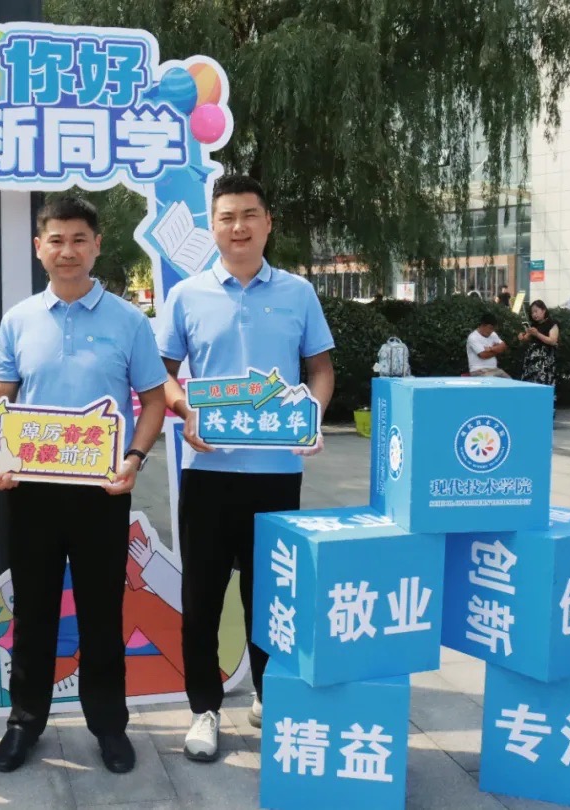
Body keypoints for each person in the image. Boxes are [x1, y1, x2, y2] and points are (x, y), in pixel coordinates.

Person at [0, 195, 167, 775]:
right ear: (39, 248)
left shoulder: (129, 321)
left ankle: (109, 726)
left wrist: (134, 457)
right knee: (33, 612)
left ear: (97, 245)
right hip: (31, 492)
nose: (67, 251)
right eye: (56, 240)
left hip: (102, 491)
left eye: (79, 239)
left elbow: (154, 401)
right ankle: (25, 722)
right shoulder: (18, 320)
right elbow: (3, 400)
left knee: (101, 613)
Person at [156, 175, 336, 762]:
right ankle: (203, 709)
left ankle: (267, 693)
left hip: (277, 473)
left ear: (267, 222)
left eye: (250, 215)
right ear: (213, 226)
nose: (239, 227)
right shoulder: (187, 296)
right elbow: (161, 375)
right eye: (227, 216)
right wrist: (185, 410)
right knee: (202, 596)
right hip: (207, 473)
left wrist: (312, 416)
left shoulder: (298, 293)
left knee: (272, 595)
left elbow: (320, 369)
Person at [518, 299, 559, 401]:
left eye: (536, 311)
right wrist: (522, 337)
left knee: (543, 384)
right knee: (529, 384)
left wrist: (537, 334)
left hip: (544, 361)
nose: (534, 314)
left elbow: (553, 341)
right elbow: (527, 338)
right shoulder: (534, 325)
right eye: (532, 312)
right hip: (531, 360)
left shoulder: (552, 324)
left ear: (543, 310)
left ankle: (544, 406)